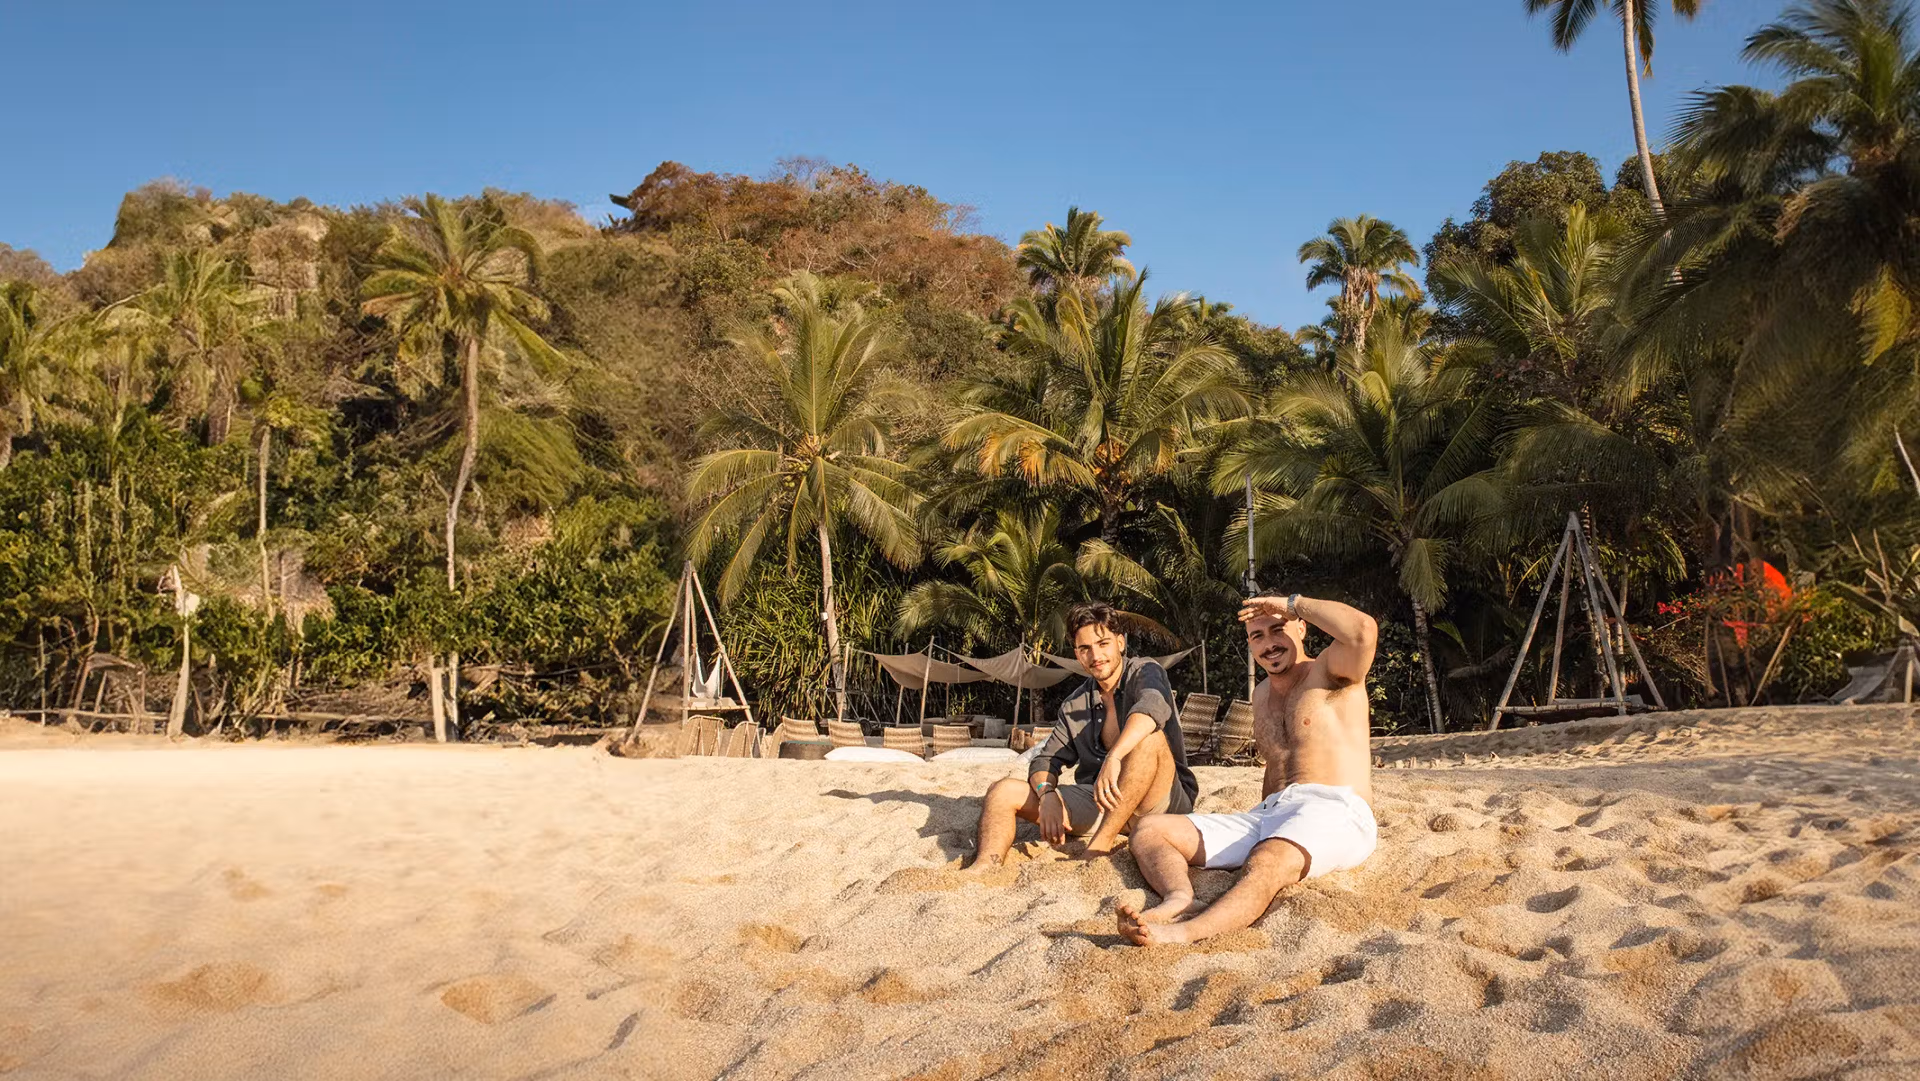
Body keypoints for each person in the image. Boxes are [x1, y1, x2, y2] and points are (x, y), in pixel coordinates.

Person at [1116, 592, 1378, 945]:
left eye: (1277, 629)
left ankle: (1183, 933)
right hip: (1273, 813)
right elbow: (1275, 766)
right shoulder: (1261, 694)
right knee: (1150, 830)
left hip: (1335, 808)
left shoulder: (1330, 671)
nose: (1269, 644)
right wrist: (1261, 818)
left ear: (1301, 627)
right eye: (1257, 636)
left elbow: (1363, 630)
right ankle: (1180, 897)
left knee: (1266, 859)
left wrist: (1292, 603)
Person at [966, 601, 1199, 869]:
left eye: (1103, 644)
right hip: (1101, 802)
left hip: (1159, 805)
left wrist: (1114, 756)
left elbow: (1152, 708)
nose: (1095, 655)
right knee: (1002, 791)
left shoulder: (1145, 671)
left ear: (1120, 643)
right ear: (1077, 655)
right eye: (1085, 648)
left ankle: (1100, 844)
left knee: (1149, 737)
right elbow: (1046, 759)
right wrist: (1047, 794)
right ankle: (985, 867)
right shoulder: (1074, 703)